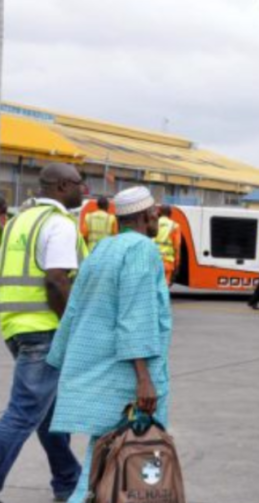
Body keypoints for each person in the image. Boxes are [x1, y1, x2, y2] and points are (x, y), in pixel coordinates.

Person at [46, 186, 171, 503]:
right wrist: (144, 379)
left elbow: (74, 309)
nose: (157, 215)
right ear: (146, 215)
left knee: (100, 462)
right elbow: (135, 314)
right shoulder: (142, 249)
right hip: (128, 380)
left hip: (99, 371)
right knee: (135, 467)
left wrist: (61, 359)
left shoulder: (102, 249)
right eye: (154, 211)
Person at [0, 163, 86, 502]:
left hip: (14, 326)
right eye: (81, 183)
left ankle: (68, 482)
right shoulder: (59, 224)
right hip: (44, 329)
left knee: (47, 413)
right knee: (22, 415)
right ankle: (69, 482)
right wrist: (70, 328)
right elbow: (56, 280)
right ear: (64, 186)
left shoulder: (18, 222)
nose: (85, 190)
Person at [154, 205, 182, 288]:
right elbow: (176, 247)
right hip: (167, 263)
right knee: (164, 288)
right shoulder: (174, 226)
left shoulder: (153, 224)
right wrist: (177, 264)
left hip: (153, 262)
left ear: (159, 212)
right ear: (170, 213)